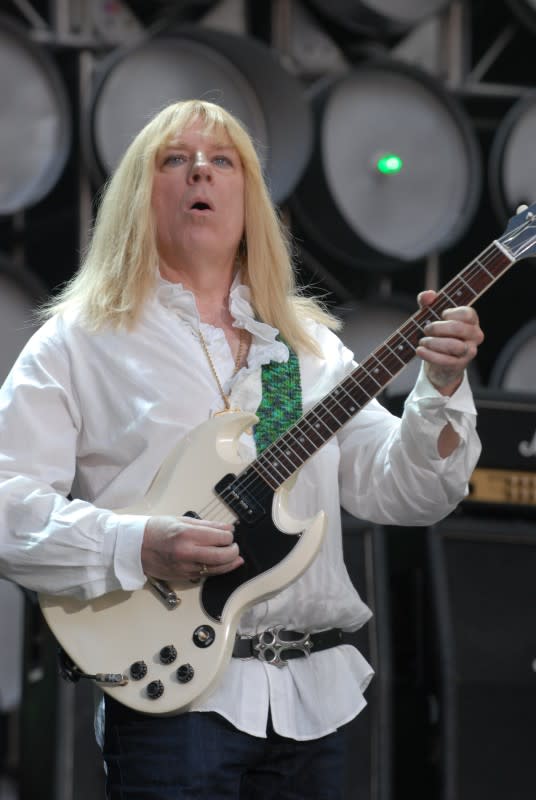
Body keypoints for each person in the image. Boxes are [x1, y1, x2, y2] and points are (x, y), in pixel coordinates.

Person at [0, 99, 483, 799]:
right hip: (174, 701)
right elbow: (8, 504)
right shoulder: (79, 340)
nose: (201, 169)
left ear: (249, 197)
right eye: (176, 159)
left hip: (313, 701)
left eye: (222, 160)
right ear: (140, 194)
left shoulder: (305, 349)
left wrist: (440, 385)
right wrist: (135, 545)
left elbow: (407, 493)